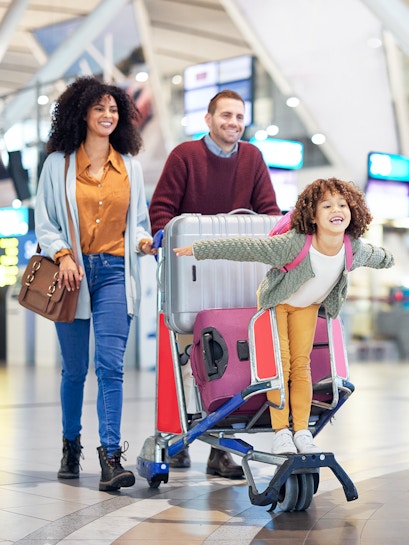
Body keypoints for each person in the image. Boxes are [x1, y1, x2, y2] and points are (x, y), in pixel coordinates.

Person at [173, 177, 394, 455]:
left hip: (307, 306)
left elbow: (379, 256)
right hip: (277, 304)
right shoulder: (294, 243)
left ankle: (301, 430)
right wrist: (200, 249)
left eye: (342, 204)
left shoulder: (353, 248)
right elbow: (247, 248)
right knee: (280, 366)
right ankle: (281, 433)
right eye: (326, 205)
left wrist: (391, 259)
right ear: (312, 216)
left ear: (353, 211)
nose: (336, 210)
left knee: (302, 366)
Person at [146, 89, 281, 478]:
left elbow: (268, 212)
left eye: (239, 117)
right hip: (190, 276)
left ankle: (217, 448)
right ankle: (174, 434)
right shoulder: (185, 156)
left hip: (234, 275)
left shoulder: (252, 158)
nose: (233, 123)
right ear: (208, 119)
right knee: (184, 362)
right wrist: (161, 237)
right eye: (226, 116)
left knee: (224, 362)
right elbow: (162, 212)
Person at [34, 76, 155, 491]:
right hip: (71, 275)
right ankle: (71, 444)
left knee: (111, 367)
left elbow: (138, 221)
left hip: (116, 273)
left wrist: (144, 240)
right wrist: (63, 255)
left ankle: (110, 458)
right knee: (74, 370)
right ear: (82, 113)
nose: (107, 115)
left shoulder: (131, 168)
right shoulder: (58, 164)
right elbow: (46, 223)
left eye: (113, 109)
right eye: (99, 108)